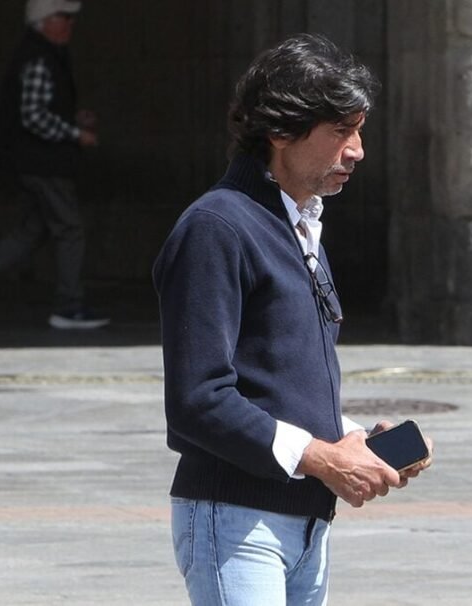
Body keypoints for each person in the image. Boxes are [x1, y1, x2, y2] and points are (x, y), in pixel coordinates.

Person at [152, 34, 431, 605]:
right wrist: (324, 459)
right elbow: (197, 400)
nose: (358, 151)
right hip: (236, 520)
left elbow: (276, 381)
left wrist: (353, 441)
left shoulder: (299, 225)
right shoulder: (217, 227)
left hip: (305, 523)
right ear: (281, 132)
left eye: (360, 131)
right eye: (341, 131)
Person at [0, 0, 108, 329]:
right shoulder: (39, 58)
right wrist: (75, 134)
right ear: (44, 21)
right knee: (70, 229)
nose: (70, 24)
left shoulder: (45, 55)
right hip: (43, 164)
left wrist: (72, 120)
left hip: (36, 162)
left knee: (30, 232)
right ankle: (69, 306)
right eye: (64, 17)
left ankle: (69, 304)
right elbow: (33, 116)